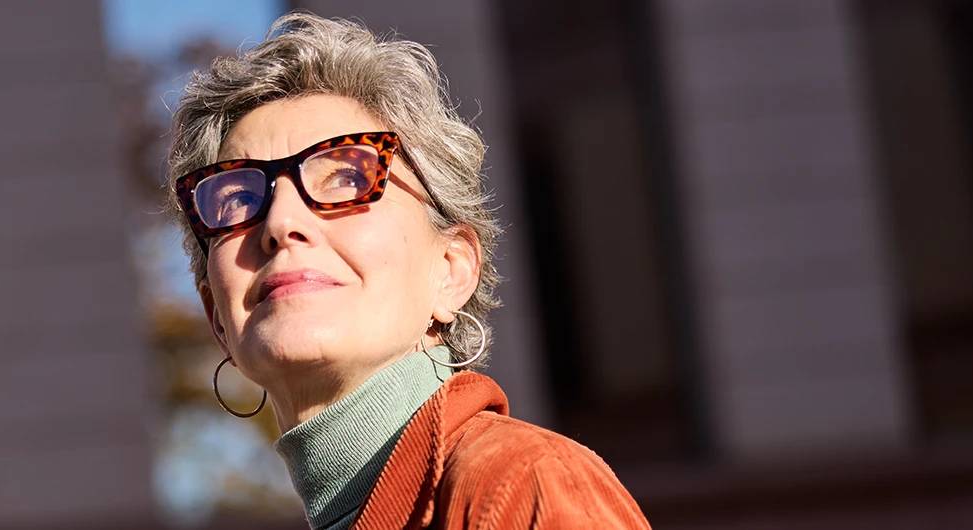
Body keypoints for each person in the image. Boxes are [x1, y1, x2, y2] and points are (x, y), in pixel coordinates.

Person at [163, 11, 652, 530]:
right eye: (238, 197)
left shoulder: (522, 485)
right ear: (217, 317)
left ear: (451, 270)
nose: (281, 223)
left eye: (345, 176)